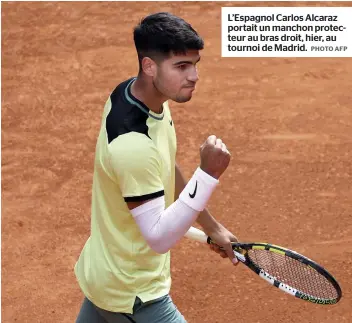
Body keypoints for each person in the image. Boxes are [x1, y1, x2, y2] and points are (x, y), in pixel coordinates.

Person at [74, 11, 239, 323]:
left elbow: (161, 165)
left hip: (106, 274)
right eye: (181, 66)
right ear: (149, 66)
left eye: (194, 64)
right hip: (134, 295)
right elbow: (159, 238)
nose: (194, 76)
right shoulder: (133, 145)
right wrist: (207, 175)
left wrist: (211, 225)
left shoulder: (133, 96)